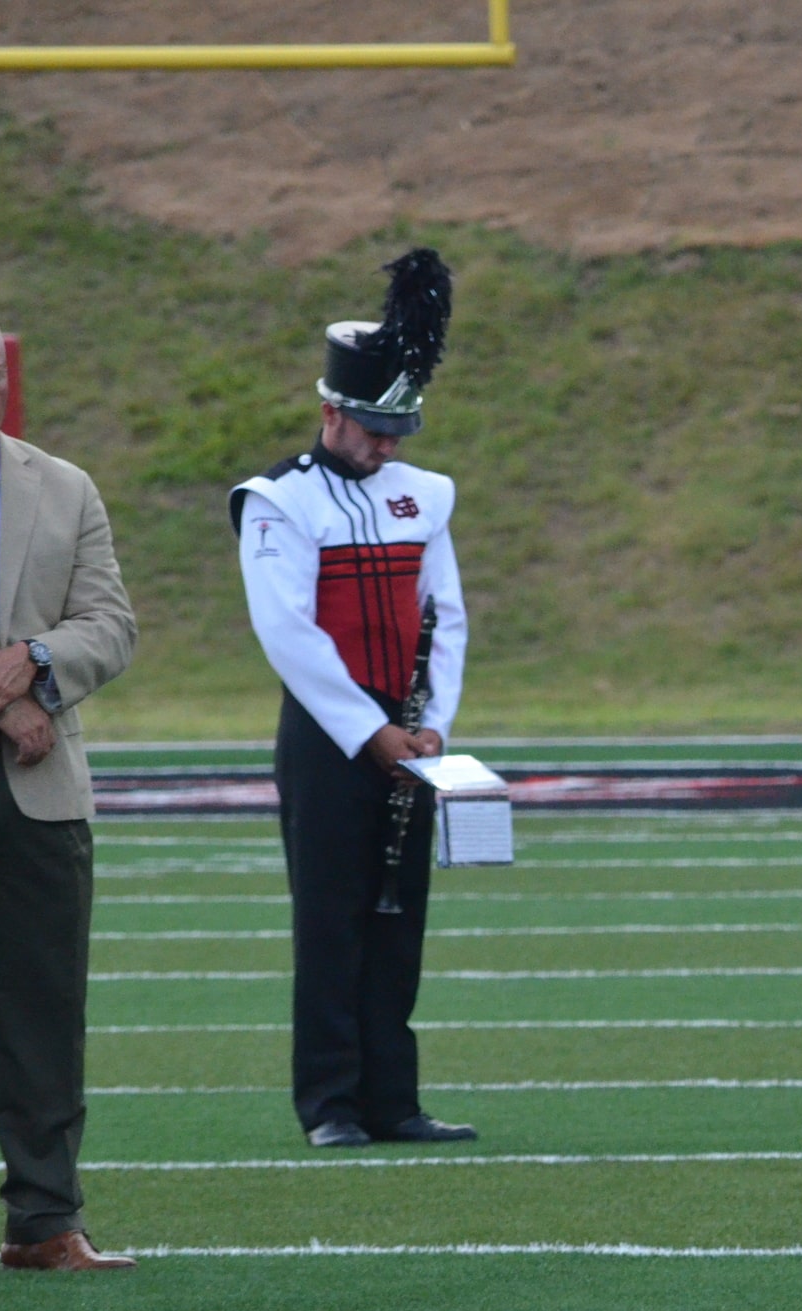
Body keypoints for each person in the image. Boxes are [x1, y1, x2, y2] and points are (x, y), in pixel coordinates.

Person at [232, 250, 476, 1146]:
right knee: (332, 916)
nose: (387, 447)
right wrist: (370, 730)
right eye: (372, 428)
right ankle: (331, 1103)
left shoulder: (425, 494)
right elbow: (287, 631)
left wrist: (431, 722)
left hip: (408, 733)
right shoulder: (277, 501)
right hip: (330, 732)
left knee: (398, 911)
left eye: (397, 431)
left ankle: (393, 1099)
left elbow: (443, 615)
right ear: (330, 411)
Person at [0, 296, 139, 1269]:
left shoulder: (66, 489)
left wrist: (30, 662)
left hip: (41, 794)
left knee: (44, 1017)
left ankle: (45, 1222)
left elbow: (111, 627)